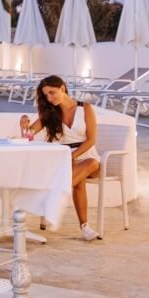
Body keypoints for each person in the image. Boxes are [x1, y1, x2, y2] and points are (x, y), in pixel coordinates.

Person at [19, 74, 101, 241]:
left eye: (52, 93)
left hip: (85, 155)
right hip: (62, 159)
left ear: (62, 88)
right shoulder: (50, 113)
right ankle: (85, 227)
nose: (49, 98)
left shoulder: (85, 108)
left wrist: (73, 156)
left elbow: (91, 139)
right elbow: (28, 136)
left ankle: (53, 194)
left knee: (91, 163)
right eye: (46, 95)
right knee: (79, 181)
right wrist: (24, 127)